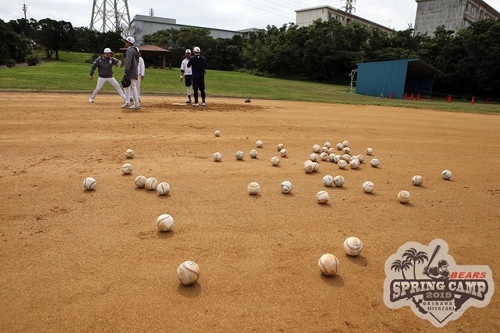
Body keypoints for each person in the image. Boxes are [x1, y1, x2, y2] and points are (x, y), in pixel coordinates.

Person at [122, 36, 140, 109]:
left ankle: (136, 104)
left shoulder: (130, 51)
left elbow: (128, 62)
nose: (125, 43)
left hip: (130, 71)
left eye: (126, 42)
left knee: (133, 87)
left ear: (129, 43)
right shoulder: (136, 51)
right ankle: (127, 102)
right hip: (134, 70)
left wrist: (126, 71)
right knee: (127, 86)